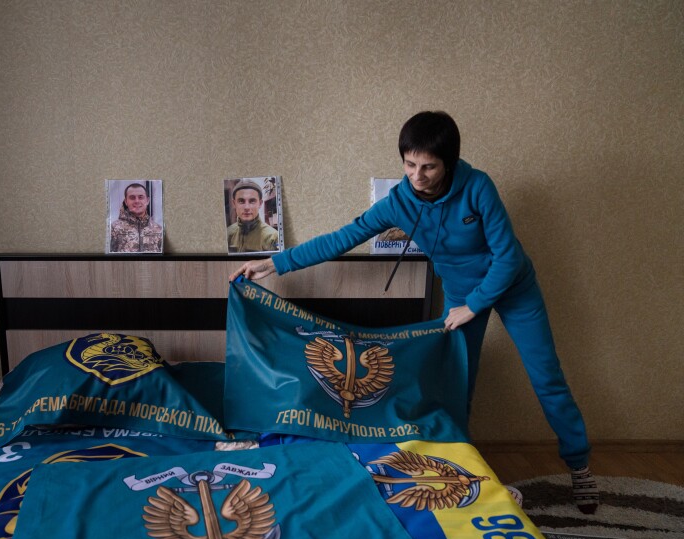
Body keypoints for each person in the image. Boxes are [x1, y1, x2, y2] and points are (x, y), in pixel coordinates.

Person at [230, 111, 598, 514]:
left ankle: (579, 466)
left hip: (512, 288)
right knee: (456, 383)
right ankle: (463, 467)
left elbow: (508, 258)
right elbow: (342, 238)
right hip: (460, 293)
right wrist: (274, 264)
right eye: (409, 164)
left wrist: (474, 305)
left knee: (547, 377)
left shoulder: (478, 187)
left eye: (428, 166)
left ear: (449, 163)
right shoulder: (400, 202)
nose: (417, 175)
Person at [226, 180, 279, 253]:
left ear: (260, 204)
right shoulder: (228, 233)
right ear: (234, 203)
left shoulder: (273, 237)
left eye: (252, 201)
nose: (247, 207)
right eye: (241, 201)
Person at [110, 183, 163, 253]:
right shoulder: (114, 228)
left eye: (141, 197)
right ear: (126, 201)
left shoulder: (158, 229)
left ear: (147, 201)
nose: (137, 201)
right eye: (132, 197)